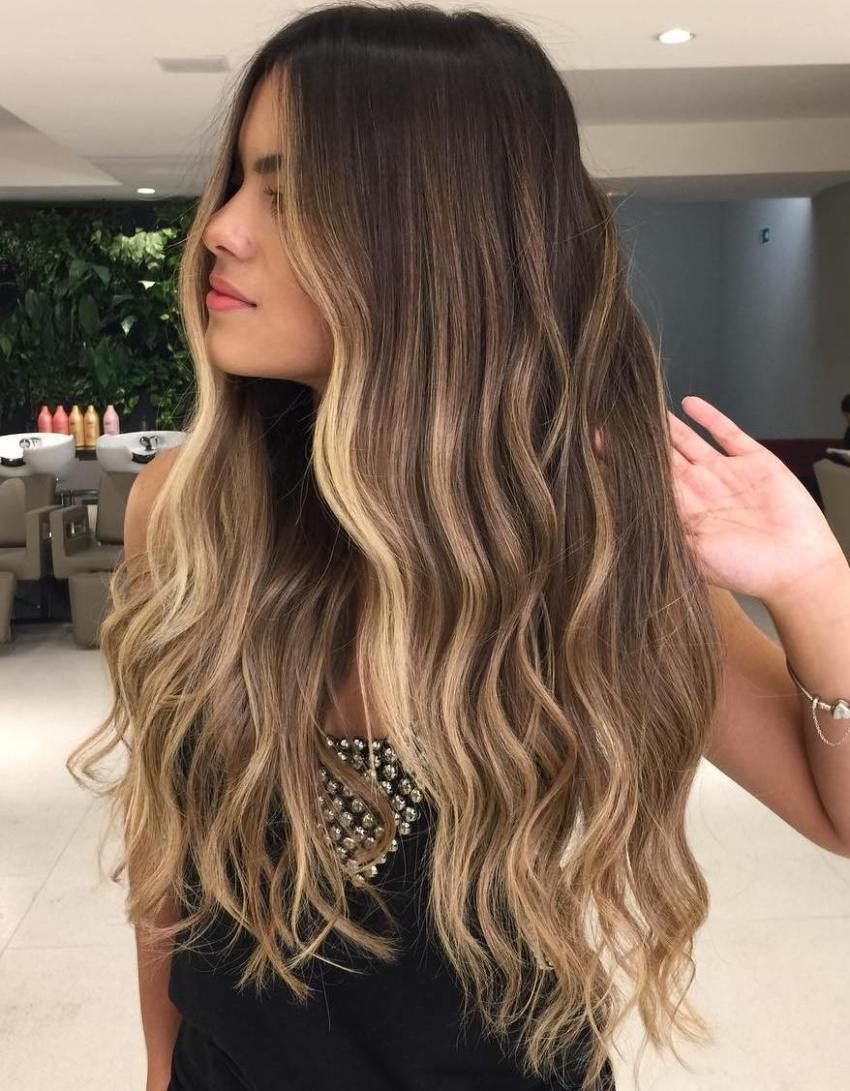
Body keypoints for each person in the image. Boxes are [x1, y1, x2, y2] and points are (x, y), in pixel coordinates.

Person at [66, 4, 737, 1090]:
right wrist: (157, 1061)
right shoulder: (186, 510)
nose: (221, 229)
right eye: (234, 183)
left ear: (425, 240)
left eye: (285, 194)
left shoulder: (582, 536)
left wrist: (814, 579)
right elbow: (169, 845)